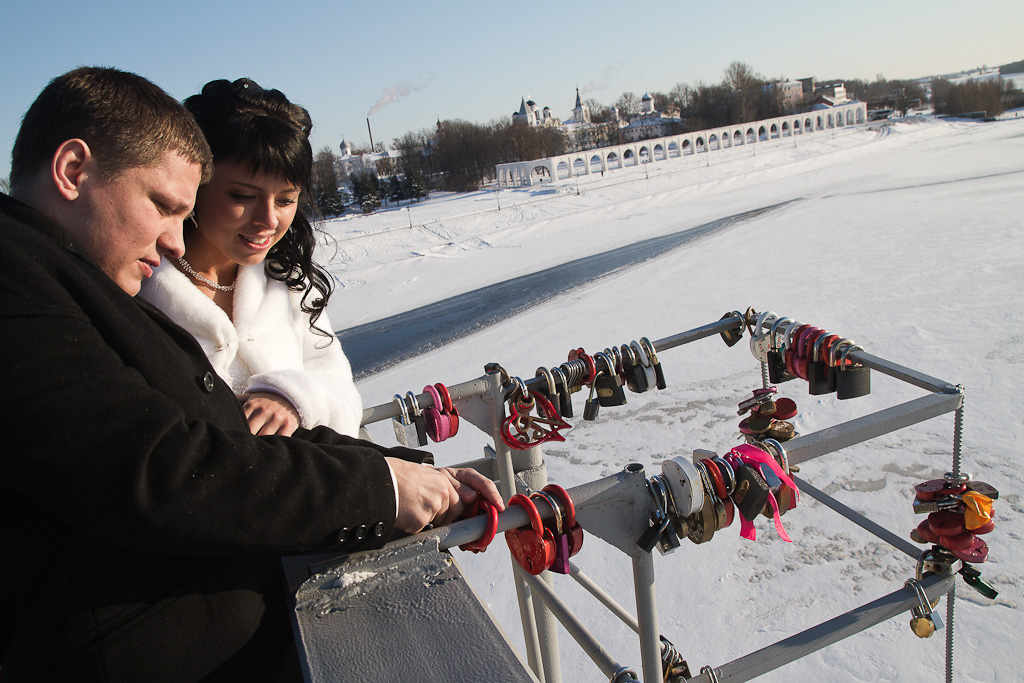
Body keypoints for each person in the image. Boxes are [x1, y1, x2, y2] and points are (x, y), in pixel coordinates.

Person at [0, 67, 502, 682]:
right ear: (73, 171)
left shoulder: (72, 280)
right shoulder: (22, 281)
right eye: (163, 206)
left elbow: (223, 436)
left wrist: (404, 476)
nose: (174, 242)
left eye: (285, 199)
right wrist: (383, 489)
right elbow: (164, 469)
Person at [140, 78, 361, 437]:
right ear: (195, 184)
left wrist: (294, 398)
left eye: (286, 200)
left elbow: (341, 388)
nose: (269, 221)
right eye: (243, 195)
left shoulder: (288, 281)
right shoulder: (137, 286)